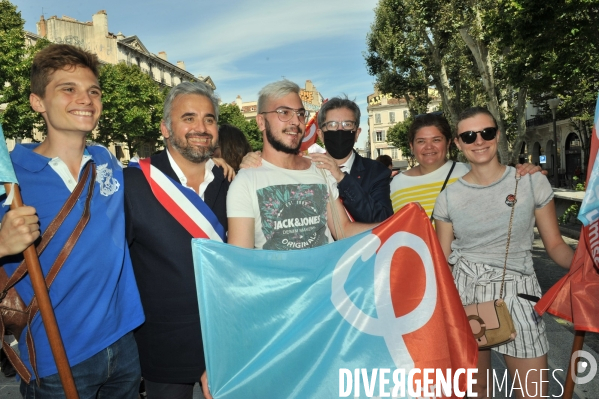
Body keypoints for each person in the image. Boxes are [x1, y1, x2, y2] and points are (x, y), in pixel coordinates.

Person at [1, 44, 144, 398]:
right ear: (38, 102)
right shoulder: (10, 178)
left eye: (93, 90)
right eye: (68, 88)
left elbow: (169, 172)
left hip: (123, 342)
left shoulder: (106, 160)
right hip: (55, 357)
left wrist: (233, 162)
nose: (86, 98)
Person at [434, 107, 574, 398]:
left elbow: (557, 246)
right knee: (476, 392)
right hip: (465, 294)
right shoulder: (448, 196)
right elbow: (442, 263)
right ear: (457, 143)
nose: (479, 141)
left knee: (533, 392)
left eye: (486, 132)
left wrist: (587, 264)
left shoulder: (531, 181)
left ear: (497, 135)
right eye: (468, 136)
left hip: (519, 295)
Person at [124, 81, 228, 399]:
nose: (201, 127)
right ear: (166, 129)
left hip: (227, 340)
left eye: (209, 119)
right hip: (164, 350)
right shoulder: (132, 184)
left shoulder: (234, 182)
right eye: (189, 118)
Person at [227, 80, 377, 250]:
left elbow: (343, 230)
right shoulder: (245, 182)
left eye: (300, 114)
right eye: (284, 112)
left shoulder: (321, 170)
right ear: (261, 122)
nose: (296, 121)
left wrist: (398, 225)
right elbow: (240, 258)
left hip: (326, 276)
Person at [239, 96, 393, 223]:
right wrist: (255, 161)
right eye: (332, 125)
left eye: (347, 124)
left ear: (357, 133)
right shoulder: (304, 167)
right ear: (320, 134)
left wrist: (341, 178)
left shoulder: (377, 171)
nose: (340, 130)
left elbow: (383, 220)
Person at [390, 113, 544, 219]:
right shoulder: (396, 184)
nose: (429, 147)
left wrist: (527, 172)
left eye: (436, 140)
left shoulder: (469, 172)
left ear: (449, 142)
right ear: (411, 146)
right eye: (421, 141)